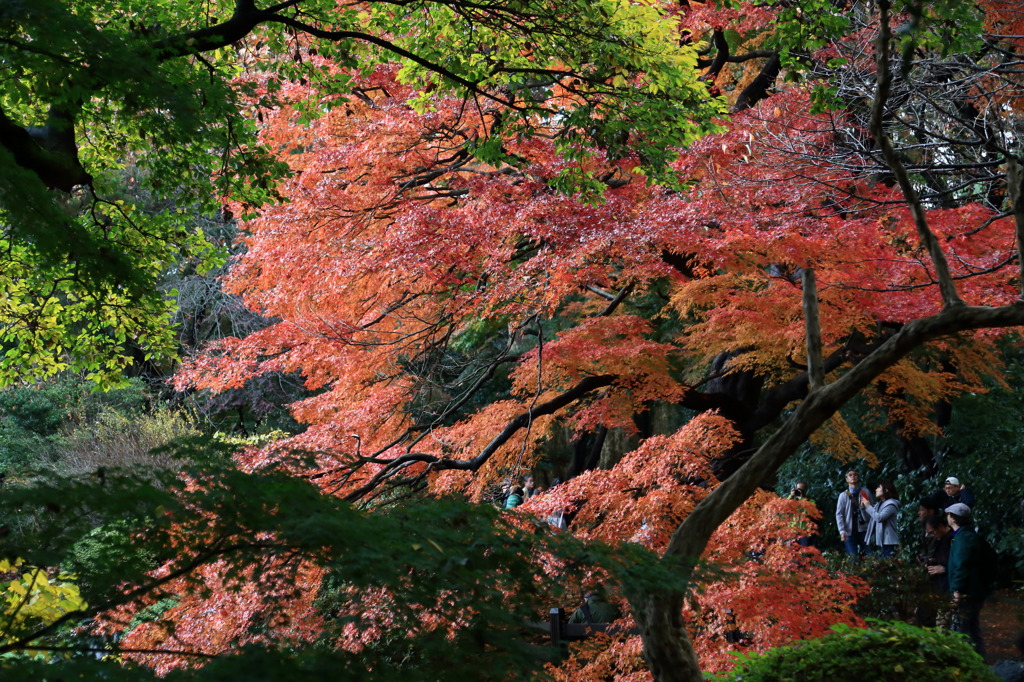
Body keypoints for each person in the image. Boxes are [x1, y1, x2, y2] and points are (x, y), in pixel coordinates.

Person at [946, 502, 994, 656]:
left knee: (961, 628)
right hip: (974, 589)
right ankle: (980, 659)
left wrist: (957, 592)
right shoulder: (968, 536)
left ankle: (965, 662)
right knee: (972, 626)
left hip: (967, 591)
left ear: (953, 518)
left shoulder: (964, 539)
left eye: (948, 515)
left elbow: (962, 565)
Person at [835, 470, 872, 555]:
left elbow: (871, 509)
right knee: (852, 557)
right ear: (846, 479)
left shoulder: (865, 492)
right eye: (850, 475)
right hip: (849, 530)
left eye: (855, 475)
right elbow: (839, 514)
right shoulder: (843, 495)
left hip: (865, 529)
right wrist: (842, 531)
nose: (853, 476)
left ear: (858, 478)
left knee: (869, 556)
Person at [861, 479, 901, 557]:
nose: (876, 490)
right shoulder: (879, 504)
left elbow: (879, 518)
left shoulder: (891, 504)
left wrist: (868, 506)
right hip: (880, 541)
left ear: (886, 490)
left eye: (878, 487)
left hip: (889, 542)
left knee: (888, 565)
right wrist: (864, 507)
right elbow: (871, 517)